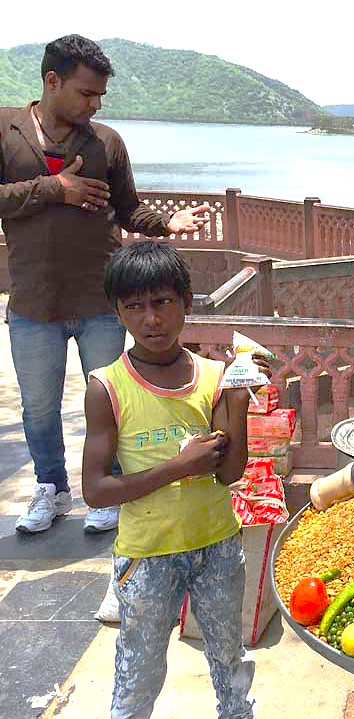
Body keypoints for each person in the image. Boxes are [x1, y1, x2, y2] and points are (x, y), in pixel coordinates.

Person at [1, 35, 210, 534]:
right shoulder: (5, 130)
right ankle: (51, 489)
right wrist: (57, 188)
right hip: (32, 301)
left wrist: (168, 224)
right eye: (86, 93)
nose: (94, 104)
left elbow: (128, 208)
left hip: (100, 301)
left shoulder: (106, 142)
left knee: (111, 402)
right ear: (52, 81)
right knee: (39, 407)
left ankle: (107, 488)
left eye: (100, 97)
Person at [82, 240, 264, 718]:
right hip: (146, 556)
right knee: (139, 674)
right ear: (118, 312)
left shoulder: (213, 376)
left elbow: (228, 472)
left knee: (229, 659)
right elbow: (96, 490)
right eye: (135, 306)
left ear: (185, 302)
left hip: (218, 548)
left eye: (162, 302)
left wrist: (239, 405)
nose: (152, 320)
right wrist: (178, 469)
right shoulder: (107, 387)